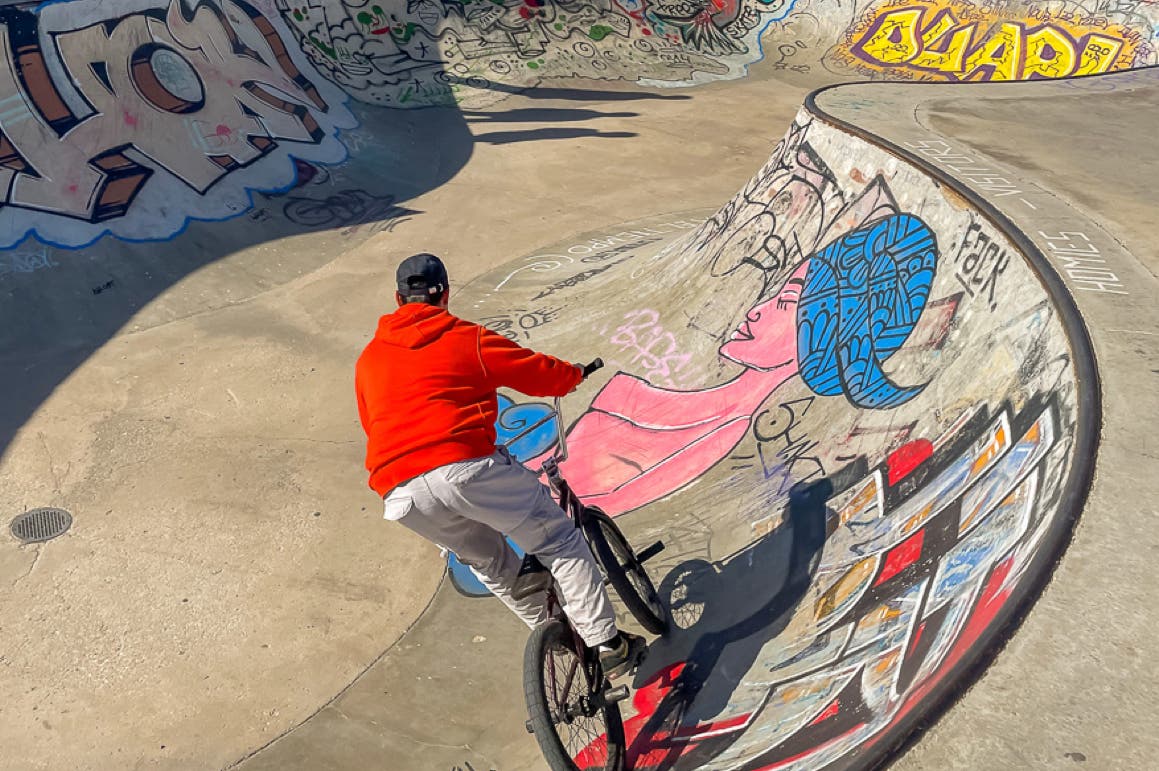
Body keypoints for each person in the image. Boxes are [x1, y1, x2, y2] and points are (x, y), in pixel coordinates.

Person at [355, 252, 647, 677]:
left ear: (397, 299)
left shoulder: (368, 360)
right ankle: (608, 643)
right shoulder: (463, 337)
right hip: (461, 466)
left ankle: (560, 641)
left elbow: (372, 424)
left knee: (489, 564)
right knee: (561, 540)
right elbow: (535, 372)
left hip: (399, 491)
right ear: (446, 295)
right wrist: (571, 375)